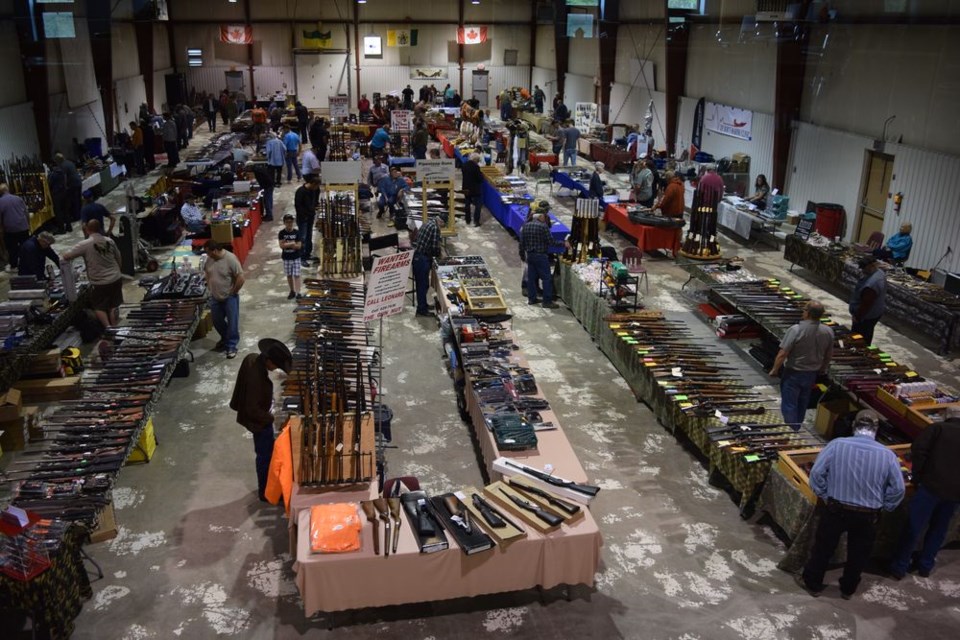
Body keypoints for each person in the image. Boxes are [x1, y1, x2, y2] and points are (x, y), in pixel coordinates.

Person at [795, 410, 905, 600]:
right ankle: (848, 589)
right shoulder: (887, 455)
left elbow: (816, 474)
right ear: (876, 429)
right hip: (868, 514)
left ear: (854, 426)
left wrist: (825, 495)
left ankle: (813, 583)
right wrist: (886, 506)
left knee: (823, 548)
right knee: (858, 554)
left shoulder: (837, 445)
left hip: (836, 509)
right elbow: (898, 489)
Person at [889, 405, 960, 580]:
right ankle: (925, 565)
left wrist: (918, 477)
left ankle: (900, 566)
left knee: (914, 527)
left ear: (946, 416)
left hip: (930, 488)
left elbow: (918, 450)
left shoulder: (938, 429)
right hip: (954, 494)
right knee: (939, 529)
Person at [230, 338, 292, 502]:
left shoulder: (251, 359)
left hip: (257, 416)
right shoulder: (256, 379)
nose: (275, 369)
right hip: (260, 422)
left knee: (266, 455)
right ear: (268, 360)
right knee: (265, 456)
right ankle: (266, 492)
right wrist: (270, 418)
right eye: (276, 365)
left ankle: (267, 488)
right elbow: (253, 409)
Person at [768, 301, 834, 427]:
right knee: (802, 402)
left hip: (794, 372)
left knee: (789, 403)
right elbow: (828, 355)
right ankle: (797, 426)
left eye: (804, 310)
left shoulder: (796, 330)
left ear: (808, 313)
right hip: (811, 374)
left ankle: (793, 430)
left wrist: (775, 369)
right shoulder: (828, 331)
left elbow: (783, 353)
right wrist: (823, 369)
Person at [61, 220, 124, 328]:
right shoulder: (109, 241)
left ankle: (108, 328)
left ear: (87, 230)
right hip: (115, 277)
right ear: (100, 228)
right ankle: (115, 328)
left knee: (99, 306)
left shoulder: (85, 244)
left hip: (100, 282)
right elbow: (119, 257)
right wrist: (117, 272)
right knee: (113, 305)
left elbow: (66, 256)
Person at [203, 239, 244, 359]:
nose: (207, 255)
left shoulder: (230, 259)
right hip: (215, 297)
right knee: (217, 321)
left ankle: (231, 346)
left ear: (215, 250)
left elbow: (241, 278)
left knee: (232, 323)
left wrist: (233, 292)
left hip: (229, 297)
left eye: (208, 252)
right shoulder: (210, 259)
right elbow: (207, 271)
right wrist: (208, 283)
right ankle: (226, 338)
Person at [520, 202, 567, 309]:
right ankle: (547, 301)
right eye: (544, 216)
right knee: (546, 279)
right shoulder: (543, 227)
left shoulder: (525, 225)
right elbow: (551, 242)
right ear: (541, 216)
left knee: (531, 278)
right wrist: (564, 243)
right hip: (541, 256)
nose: (545, 218)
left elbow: (522, 242)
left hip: (530, 255)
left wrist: (523, 254)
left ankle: (532, 299)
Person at [849, 255, 886, 345]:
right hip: (875, 312)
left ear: (871, 266)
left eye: (864, 268)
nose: (862, 270)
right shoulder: (879, 272)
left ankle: (860, 353)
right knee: (867, 334)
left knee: (859, 337)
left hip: (866, 316)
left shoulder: (871, 284)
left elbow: (866, 304)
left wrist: (857, 317)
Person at [412, 214, 442, 317]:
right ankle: (421, 310)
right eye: (442, 224)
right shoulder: (434, 228)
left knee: (423, 284)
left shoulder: (428, 222)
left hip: (417, 256)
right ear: (440, 221)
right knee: (422, 285)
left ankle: (423, 305)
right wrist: (439, 257)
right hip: (422, 259)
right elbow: (434, 247)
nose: (441, 227)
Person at [0, 184, 31, 270]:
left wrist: (2, 230)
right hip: (23, 227)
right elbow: (26, 212)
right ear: (8, 190)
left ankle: (14, 265)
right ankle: (28, 262)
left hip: (10, 229)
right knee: (26, 246)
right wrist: (28, 225)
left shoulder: (1, 201)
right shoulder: (18, 198)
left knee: (12, 248)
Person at [294, 177, 320, 267]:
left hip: (310, 217)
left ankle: (307, 254)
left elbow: (315, 202)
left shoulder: (314, 190)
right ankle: (302, 257)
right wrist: (305, 214)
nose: (316, 189)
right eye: (316, 186)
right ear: (312, 184)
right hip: (303, 218)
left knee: (309, 236)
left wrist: (315, 207)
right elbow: (298, 206)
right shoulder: (301, 191)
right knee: (303, 238)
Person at [278, 214, 302, 300]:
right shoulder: (281, 233)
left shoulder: (296, 232)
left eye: (291, 222)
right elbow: (281, 246)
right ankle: (292, 291)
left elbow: (299, 246)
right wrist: (292, 244)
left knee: (297, 275)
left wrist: (287, 244)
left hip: (296, 257)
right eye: (287, 222)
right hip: (286, 257)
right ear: (284, 223)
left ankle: (298, 292)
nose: (289, 224)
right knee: (289, 275)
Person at [55, 153, 83, 225]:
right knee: (78, 199)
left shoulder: (62, 166)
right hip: (78, 182)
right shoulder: (70, 162)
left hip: (72, 184)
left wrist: (65, 186)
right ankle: (80, 214)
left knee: (74, 200)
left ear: (58, 160)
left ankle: (76, 216)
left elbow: (64, 177)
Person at [461, 152, 484, 227]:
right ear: (476, 160)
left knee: (467, 204)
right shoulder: (476, 167)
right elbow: (479, 179)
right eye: (478, 161)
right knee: (478, 205)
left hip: (466, 188)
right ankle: (476, 221)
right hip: (474, 189)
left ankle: (467, 219)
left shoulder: (464, 165)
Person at [47, 163, 70, 234]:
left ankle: (61, 229)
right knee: (66, 210)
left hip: (56, 194)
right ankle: (69, 227)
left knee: (58, 212)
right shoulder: (62, 172)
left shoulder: (52, 174)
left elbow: (49, 184)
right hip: (64, 192)